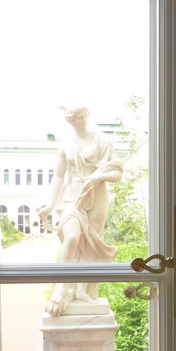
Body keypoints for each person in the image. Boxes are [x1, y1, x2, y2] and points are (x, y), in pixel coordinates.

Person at [38, 105, 124, 316]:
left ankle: (81, 290)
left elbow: (117, 172)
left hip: (98, 196)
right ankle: (62, 286)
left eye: (82, 117)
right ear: (69, 120)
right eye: (75, 119)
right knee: (73, 237)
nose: (80, 121)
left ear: (87, 115)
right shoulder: (65, 145)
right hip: (72, 197)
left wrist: (98, 177)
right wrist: (50, 205)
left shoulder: (103, 140)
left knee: (91, 246)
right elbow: (59, 176)